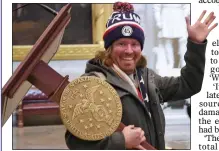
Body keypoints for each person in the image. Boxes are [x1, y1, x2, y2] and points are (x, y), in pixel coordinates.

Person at [65, 2, 217, 150]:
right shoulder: (95, 83)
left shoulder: (147, 77)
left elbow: (189, 85)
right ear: (109, 48)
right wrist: (121, 141)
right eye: (121, 44)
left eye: (134, 44)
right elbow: (75, 142)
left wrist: (196, 44)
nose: (129, 51)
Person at [153, 4, 190, 69]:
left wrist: (185, 15)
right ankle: (170, 63)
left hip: (179, 15)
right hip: (166, 16)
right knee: (167, 41)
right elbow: (156, 7)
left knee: (183, 40)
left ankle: (183, 63)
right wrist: (158, 21)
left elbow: (187, 5)